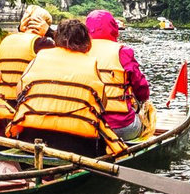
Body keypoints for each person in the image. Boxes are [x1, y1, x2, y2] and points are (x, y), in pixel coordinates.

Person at [9, 17, 118, 155]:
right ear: (86, 42)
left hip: (31, 137)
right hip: (76, 143)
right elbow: (103, 104)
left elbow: (19, 93)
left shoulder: (40, 57)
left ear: (56, 38)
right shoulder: (91, 64)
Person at [84, 9, 152, 137]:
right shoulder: (123, 52)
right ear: (113, 27)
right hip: (122, 126)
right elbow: (141, 88)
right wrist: (142, 100)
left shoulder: (79, 49)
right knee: (145, 116)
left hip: (87, 124)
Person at [0, 7, 54, 110]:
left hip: (1, 100)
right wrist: (50, 32)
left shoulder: (7, 39)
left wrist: (20, 29)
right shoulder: (43, 43)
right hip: (25, 103)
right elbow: (64, 53)